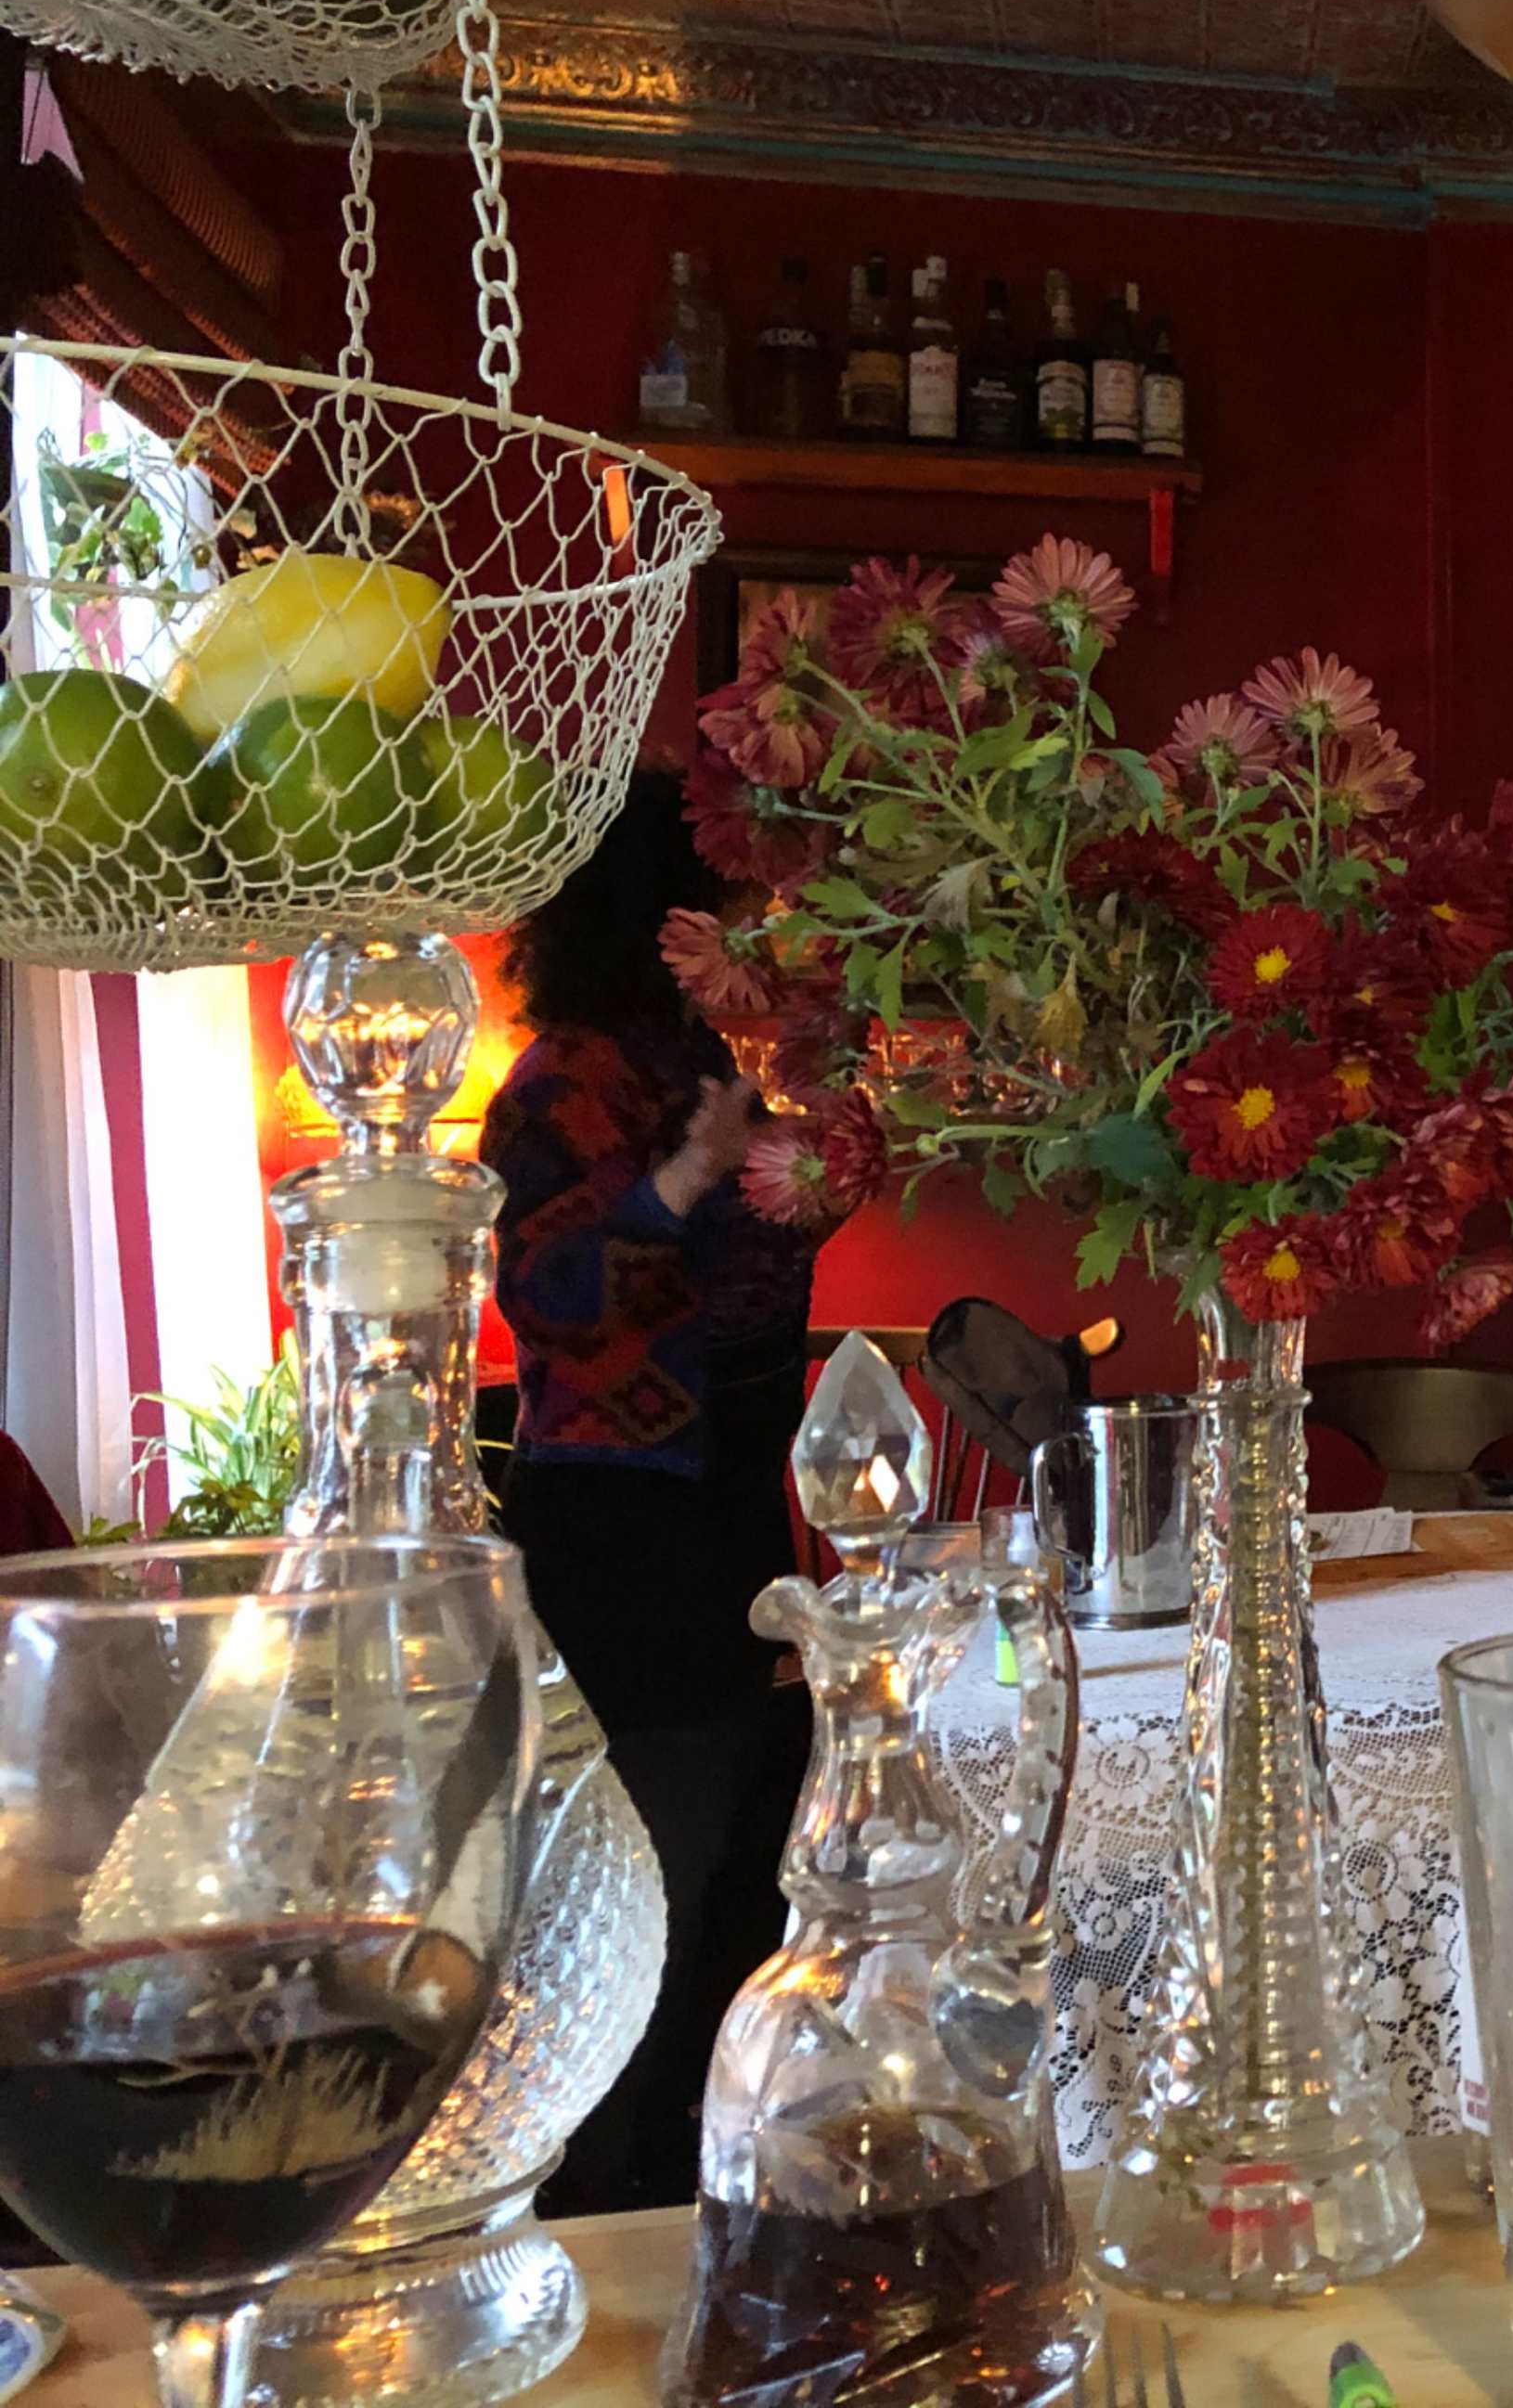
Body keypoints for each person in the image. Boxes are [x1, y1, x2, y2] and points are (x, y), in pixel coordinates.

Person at [482, 768, 823, 2208]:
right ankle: (595, 2199)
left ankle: (692, 2183)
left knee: (741, 1863)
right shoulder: (559, 1080)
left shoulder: (695, 1054)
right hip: (621, 1534)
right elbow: (547, 1291)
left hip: (727, 1508)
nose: (742, 926)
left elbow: (749, 1282)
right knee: (641, 1878)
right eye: (720, 900)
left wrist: (810, 1171)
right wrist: (685, 1177)